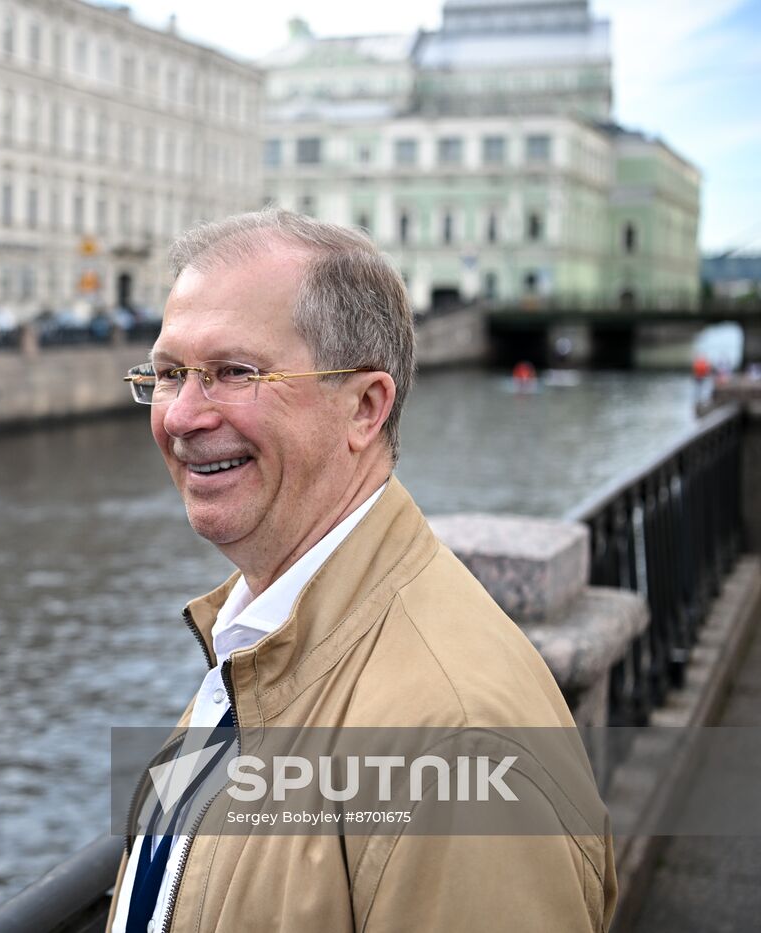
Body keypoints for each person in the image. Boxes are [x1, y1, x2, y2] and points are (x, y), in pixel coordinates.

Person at [108, 209, 615, 932]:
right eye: (168, 374)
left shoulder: (457, 741)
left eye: (232, 373)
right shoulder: (262, 628)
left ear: (366, 407)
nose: (182, 415)